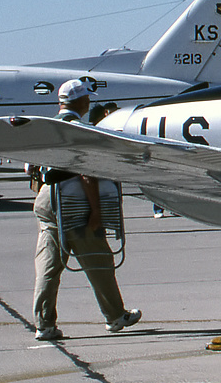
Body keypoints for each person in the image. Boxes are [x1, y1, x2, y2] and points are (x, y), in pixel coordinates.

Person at [31, 79, 142, 341]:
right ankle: (115, 315)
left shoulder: (48, 128)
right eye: (88, 98)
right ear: (81, 102)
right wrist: (96, 211)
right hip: (73, 201)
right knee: (98, 259)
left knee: (48, 266)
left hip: (47, 199)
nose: (89, 102)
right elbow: (88, 174)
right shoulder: (79, 129)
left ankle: (44, 324)